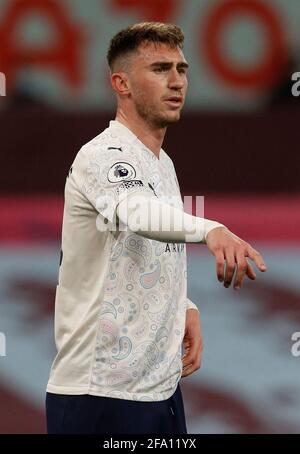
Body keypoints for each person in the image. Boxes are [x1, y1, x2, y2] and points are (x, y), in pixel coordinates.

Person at [46, 22, 267, 435]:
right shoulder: (103, 155)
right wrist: (212, 229)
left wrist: (184, 306)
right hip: (99, 394)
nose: (177, 81)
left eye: (182, 69)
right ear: (122, 83)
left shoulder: (162, 165)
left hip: (159, 391)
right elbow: (139, 215)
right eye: (160, 69)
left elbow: (147, 246)